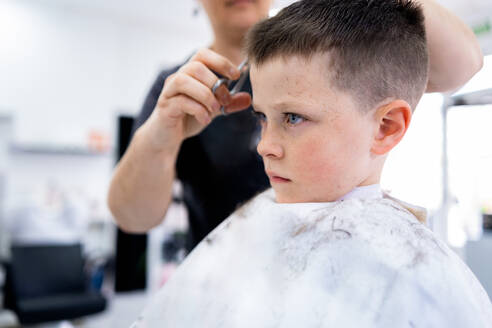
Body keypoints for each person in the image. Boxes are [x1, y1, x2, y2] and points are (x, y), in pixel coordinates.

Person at [131, 1, 492, 327]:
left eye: (292, 118)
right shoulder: (177, 89)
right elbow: (132, 216)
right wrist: (161, 133)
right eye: (261, 118)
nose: (264, 147)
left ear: (386, 127)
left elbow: (466, 62)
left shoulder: (413, 276)